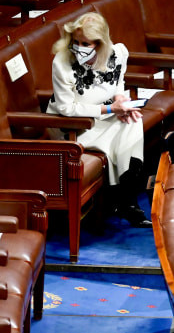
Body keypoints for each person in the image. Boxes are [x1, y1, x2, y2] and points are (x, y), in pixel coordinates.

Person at [47, 12, 151, 227]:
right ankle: (126, 199)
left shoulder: (117, 53)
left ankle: (125, 197)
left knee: (132, 119)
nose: (78, 47)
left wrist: (121, 99)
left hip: (103, 115)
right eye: (75, 41)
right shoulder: (62, 62)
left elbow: (118, 83)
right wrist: (111, 108)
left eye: (85, 43)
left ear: (100, 44)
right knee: (126, 126)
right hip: (73, 126)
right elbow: (66, 108)